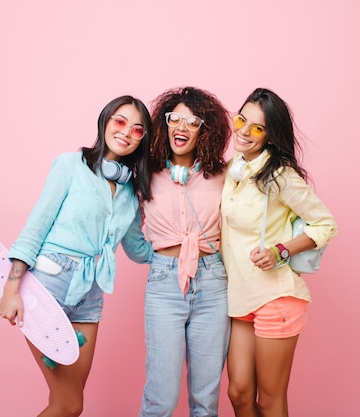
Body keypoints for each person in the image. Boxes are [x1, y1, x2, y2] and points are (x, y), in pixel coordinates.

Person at [0, 95, 153, 417]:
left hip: (90, 296)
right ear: (106, 121)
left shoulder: (131, 192)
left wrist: (185, 244)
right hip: (47, 287)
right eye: (120, 121)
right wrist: (11, 287)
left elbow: (138, 250)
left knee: (66, 404)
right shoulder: (71, 164)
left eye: (137, 130)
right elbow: (36, 226)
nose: (126, 132)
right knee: (70, 404)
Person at [220, 88, 338, 417]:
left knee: (269, 400)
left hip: (276, 296)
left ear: (270, 136)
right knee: (239, 392)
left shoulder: (280, 175)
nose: (244, 131)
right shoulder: (233, 170)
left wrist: (280, 250)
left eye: (256, 127)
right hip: (240, 297)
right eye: (241, 119)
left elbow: (325, 224)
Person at [135, 86, 232, 417]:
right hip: (164, 284)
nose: (182, 127)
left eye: (193, 122)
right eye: (175, 118)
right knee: (160, 398)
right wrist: (155, 259)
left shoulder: (223, 175)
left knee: (206, 402)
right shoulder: (144, 172)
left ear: (206, 130)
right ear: (164, 124)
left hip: (214, 284)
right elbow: (126, 223)